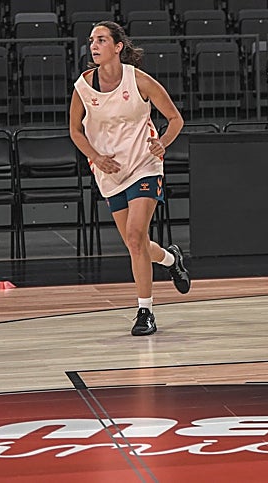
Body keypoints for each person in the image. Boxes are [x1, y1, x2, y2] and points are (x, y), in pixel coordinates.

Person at [68, 20, 190, 336]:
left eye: (101, 40)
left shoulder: (139, 81)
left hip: (145, 165)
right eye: (91, 40)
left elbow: (176, 118)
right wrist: (95, 157)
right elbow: (75, 131)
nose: (94, 45)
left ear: (118, 46)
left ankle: (145, 311)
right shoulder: (83, 86)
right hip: (109, 172)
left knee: (136, 235)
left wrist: (162, 142)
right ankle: (169, 259)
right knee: (135, 244)